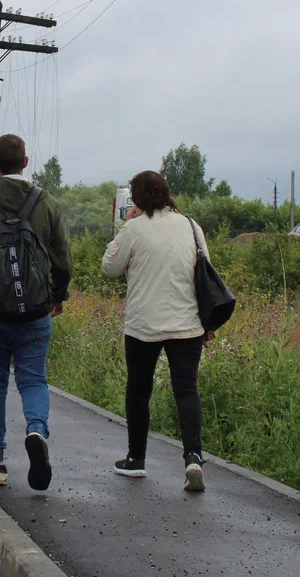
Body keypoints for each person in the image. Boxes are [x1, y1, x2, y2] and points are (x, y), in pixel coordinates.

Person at [0, 134, 73, 491]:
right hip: (36, 311)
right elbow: (63, 260)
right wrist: (57, 296)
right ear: (26, 163)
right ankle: (36, 430)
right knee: (33, 379)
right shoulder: (46, 202)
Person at [102, 169, 213, 492]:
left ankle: (136, 459)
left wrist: (126, 225)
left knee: (139, 389)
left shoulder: (133, 229)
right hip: (187, 323)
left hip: (143, 325)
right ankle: (193, 456)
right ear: (167, 193)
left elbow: (109, 268)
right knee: (186, 389)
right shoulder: (191, 226)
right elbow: (204, 271)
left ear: (136, 199)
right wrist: (208, 322)